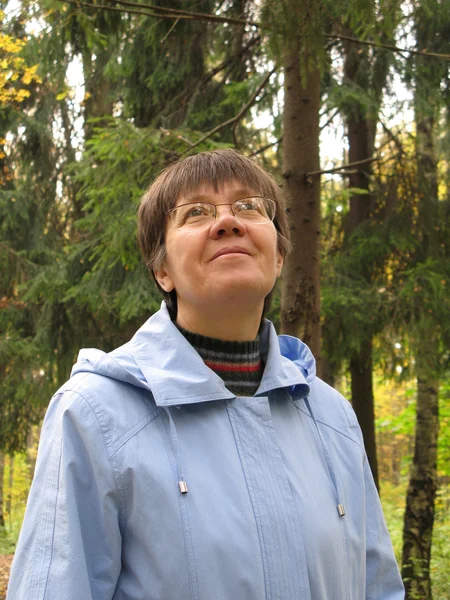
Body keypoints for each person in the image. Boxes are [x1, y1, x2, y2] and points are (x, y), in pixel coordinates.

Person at [7, 149, 405, 599]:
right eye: (195, 212)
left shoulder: (332, 418)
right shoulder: (96, 415)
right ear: (162, 270)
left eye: (249, 207)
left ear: (277, 257)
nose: (227, 222)